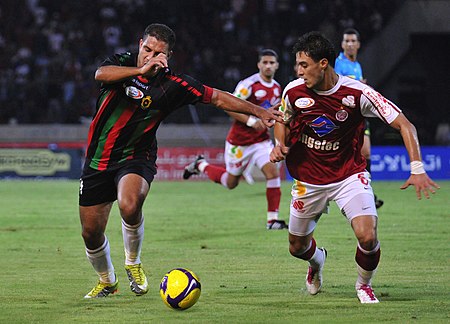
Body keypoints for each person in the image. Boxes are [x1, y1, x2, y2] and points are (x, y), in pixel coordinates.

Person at [79, 23, 282, 299]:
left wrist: (259, 111)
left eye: (158, 53)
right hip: (98, 159)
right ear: (140, 44)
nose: (150, 56)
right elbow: (100, 74)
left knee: (129, 204)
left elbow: (218, 98)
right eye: (147, 49)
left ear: (168, 56)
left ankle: (133, 262)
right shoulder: (122, 63)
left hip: (137, 156)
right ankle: (107, 280)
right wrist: (140, 71)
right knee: (91, 233)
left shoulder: (174, 85)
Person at [270, 32, 439, 303]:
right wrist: (279, 142)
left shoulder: (357, 92)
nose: (298, 72)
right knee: (296, 247)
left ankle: (363, 285)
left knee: (368, 236)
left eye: (304, 65)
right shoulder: (293, 90)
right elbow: (282, 118)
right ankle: (316, 262)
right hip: (308, 179)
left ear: (323, 63)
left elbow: (405, 124)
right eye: (297, 65)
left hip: (349, 174)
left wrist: (417, 167)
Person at [183, 49, 288, 230]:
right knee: (230, 182)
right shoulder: (249, 84)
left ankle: (272, 220)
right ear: (259, 65)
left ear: (277, 65)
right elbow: (229, 106)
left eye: (272, 63)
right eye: (265, 62)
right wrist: (250, 121)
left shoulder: (277, 87)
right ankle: (201, 165)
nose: (268, 66)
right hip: (239, 142)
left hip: (261, 142)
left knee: (272, 173)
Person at [334, 28, 383, 208]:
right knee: (350, 154)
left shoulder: (357, 64)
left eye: (353, 41)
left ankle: (367, 190)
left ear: (358, 44)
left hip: (359, 114)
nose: (350, 44)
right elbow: (339, 85)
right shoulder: (339, 63)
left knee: (366, 152)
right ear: (342, 44)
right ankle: (344, 190)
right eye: (347, 41)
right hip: (346, 116)